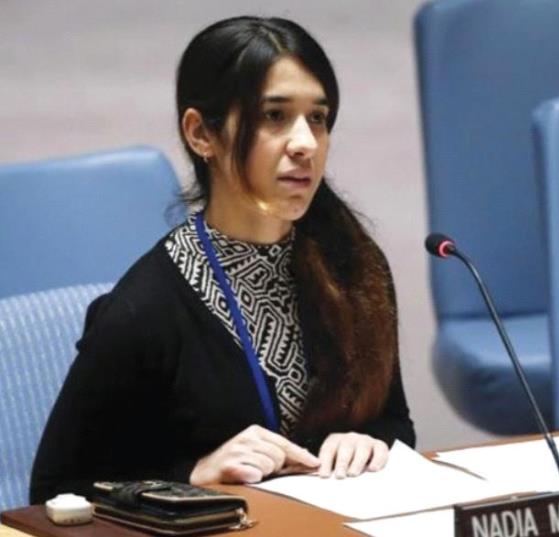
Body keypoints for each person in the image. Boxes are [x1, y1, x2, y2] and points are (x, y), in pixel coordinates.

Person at [30, 15, 415, 504]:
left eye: (317, 118)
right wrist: (193, 474)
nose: (305, 144)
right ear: (200, 134)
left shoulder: (355, 268)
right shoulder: (145, 310)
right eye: (274, 116)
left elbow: (394, 419)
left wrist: (372, 440)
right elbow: (53, 494)